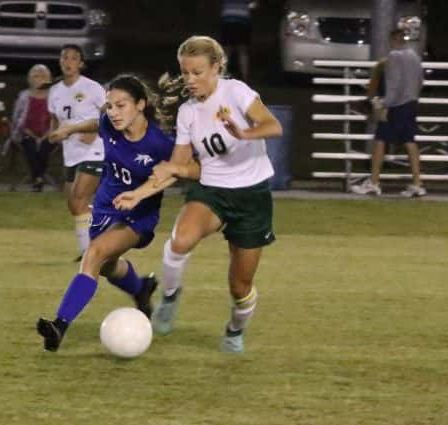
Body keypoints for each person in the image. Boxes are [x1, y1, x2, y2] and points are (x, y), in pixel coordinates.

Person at [113, 36, 283, 353]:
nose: (190, 80)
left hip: (252, 197)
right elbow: (178, 167)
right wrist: (138, 194)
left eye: (198, 72)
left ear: (217, 68)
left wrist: (244, 133)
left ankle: (235, 330)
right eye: (185, 73)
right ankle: (170, 294)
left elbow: (273, 127)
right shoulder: (188, 113)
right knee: (180, 240)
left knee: (240, 286)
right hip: (211, 191)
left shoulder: (237, 92)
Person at [36, 74, 196, 352]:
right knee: (108, 266)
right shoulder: (109, 124)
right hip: (105, 208)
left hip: (139, 217)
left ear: (140, 105)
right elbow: (95, 123)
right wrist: (70, 129)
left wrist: (143, 193)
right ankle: (140, 288)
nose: (113, 112)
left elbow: (178, 171)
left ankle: (59, 326)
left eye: (121, 105)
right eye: (110, 106)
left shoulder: (161, 143)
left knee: (95, 253)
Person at [47, 45, 106, 261]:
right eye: (65, 58)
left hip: (94, 151)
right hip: (70, 153)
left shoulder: (92, 87)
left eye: (74, 58)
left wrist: (94, 131)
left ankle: (89, 252)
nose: (69, 62)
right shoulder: (55, 91)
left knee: (80, 199)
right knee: (74, 206)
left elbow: (110, 114)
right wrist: (53, 134)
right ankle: (105, 226)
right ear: (60, 61)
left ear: (81, 64)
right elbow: (55, 122)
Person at [351, 29, 426, 197]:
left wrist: (383, 103)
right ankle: (417, 183)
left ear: (392, 40)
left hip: (395, 105)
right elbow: (421, 82)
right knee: (409, 141)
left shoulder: (393, 57)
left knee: (380, 140)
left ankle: (374, 182)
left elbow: (394, 85)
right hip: (411, 103)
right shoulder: (415, 56)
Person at [10, 64, 56, 192]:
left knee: (44, 148)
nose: (40, 79)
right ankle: (39, 178)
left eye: (43, 76)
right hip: (26, 133)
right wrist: (32, 135)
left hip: (50, 133)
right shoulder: (24, 96)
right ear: (30, 79)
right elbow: (16, 119)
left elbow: (60, 119)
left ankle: (37, 178)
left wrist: (45, 135)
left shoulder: (55, 96)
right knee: (30, 146)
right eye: (36, 76)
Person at [219, 0, 255, 81]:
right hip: (240, 21)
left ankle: (223, 77)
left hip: (230, 21)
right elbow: (253, 4)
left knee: (229, 51)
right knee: (241, 51)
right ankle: (245, 78)